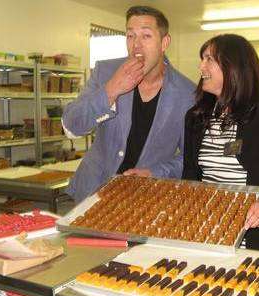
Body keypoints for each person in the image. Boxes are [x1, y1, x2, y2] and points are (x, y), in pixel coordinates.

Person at [62, 6, 195, 202]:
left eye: (146, 36)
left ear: (164, 42)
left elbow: (189, 158)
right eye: (130, 36)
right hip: (92, 193)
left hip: (145, 199)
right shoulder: (105, 72)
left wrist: (155, 172)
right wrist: (111, 89)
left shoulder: (187, 94)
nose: (136, 45)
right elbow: (71, 127)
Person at [182, 34, 259, 251]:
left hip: (248, 239)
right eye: (202, 59)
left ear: (232, 66)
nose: (201, 66)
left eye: (209, 59)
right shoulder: (195, 117)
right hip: (203, 236)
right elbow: (189, 178)